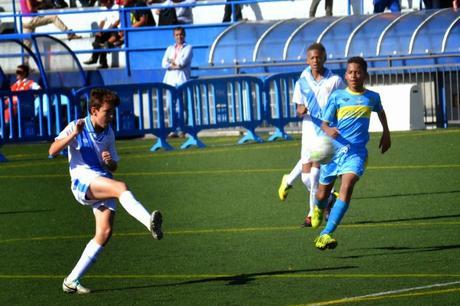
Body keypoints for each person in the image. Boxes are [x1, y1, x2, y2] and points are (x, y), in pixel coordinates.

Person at [49, 88, 164, 294]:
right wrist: (73, 134)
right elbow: (52, 151)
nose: (111, 117)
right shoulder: (77, 126)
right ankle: (149, 222)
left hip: (102, 180)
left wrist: (108, 162)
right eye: (107, 112)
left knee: (104, 233)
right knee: (121, 188)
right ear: (94, 110)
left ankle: (71, 281)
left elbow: (113, 167)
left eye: (113, 113)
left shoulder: (108, 133)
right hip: (83, 181)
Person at [311, 56, 391, 250]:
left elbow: (380, 111)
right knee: (322, 194)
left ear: (364, 74)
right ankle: (321, 206)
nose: (353, 75)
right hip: (334, 151)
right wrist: (329, 130)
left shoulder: (372, 97)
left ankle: (325, 234)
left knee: (347, 185)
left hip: (356, 153)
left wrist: (386, 133)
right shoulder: (338, 97)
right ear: (345, 75)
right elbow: (324, 122)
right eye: (350, 72)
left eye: (357, 72)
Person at [278, 43, 344, 227]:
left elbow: (343, 102)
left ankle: (311, 215)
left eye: (318, 57)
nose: (315, 61)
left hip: (326, 132)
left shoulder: (335, 80)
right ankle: (329, 198)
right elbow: (298, 107)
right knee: (306, 178)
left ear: (324, 58)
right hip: (308, 131)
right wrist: (301, 109)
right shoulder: (303, 79)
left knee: (315, 177)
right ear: (307, 60)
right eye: (312, 58)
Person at [161, 26, 192, 138]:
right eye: (177, 35)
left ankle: (182, 129)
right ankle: (173, 129)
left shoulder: (188, 47)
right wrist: (173, 64)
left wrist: (171, 62)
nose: (179, 36)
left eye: (181, 34)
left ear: (184, 35)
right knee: (169, 106)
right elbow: (163, 63)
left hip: (182, 80)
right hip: (170, 81)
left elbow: (182, 62)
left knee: (182, 106)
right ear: (174, 36)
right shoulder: (170, 48)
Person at [4, 64, 41, 136]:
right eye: (17, 72)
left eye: (19, 72)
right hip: (13, 106)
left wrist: (31, 95)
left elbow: (39, 90)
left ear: (25, 73)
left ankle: (6, 133)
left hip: (24, 107)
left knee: (9, 111)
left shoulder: (30, 83)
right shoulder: (15, 85)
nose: (17, 74)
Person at [83, 0, 122, 69]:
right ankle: (95, 58)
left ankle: (101, 62)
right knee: (98, 38)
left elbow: (117, 22)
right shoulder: (104, 9)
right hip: (108, 31)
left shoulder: (117, 7)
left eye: (103, 1)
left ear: (109, 1)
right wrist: (100, 30)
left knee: (104, 43)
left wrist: (107, 30)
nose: (102, 3)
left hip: (116, 31)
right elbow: (102, 21)